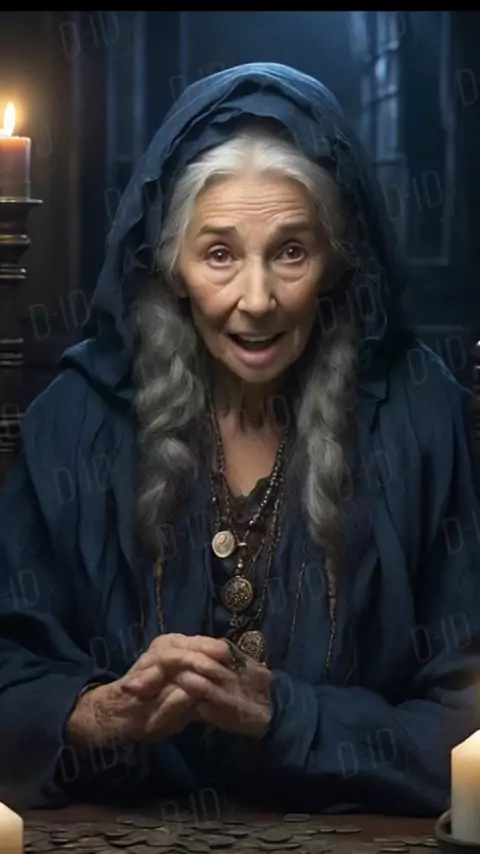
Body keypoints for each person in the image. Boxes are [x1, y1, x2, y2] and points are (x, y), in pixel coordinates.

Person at [1, 62, 479, 818]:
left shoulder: (417, 410)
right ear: (172, 267)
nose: (257, 301)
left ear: (334, 262)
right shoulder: (77, 418)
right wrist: (95, 713)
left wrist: (288, 718)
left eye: (291, 251)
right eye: (219, 254)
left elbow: (468, 715)